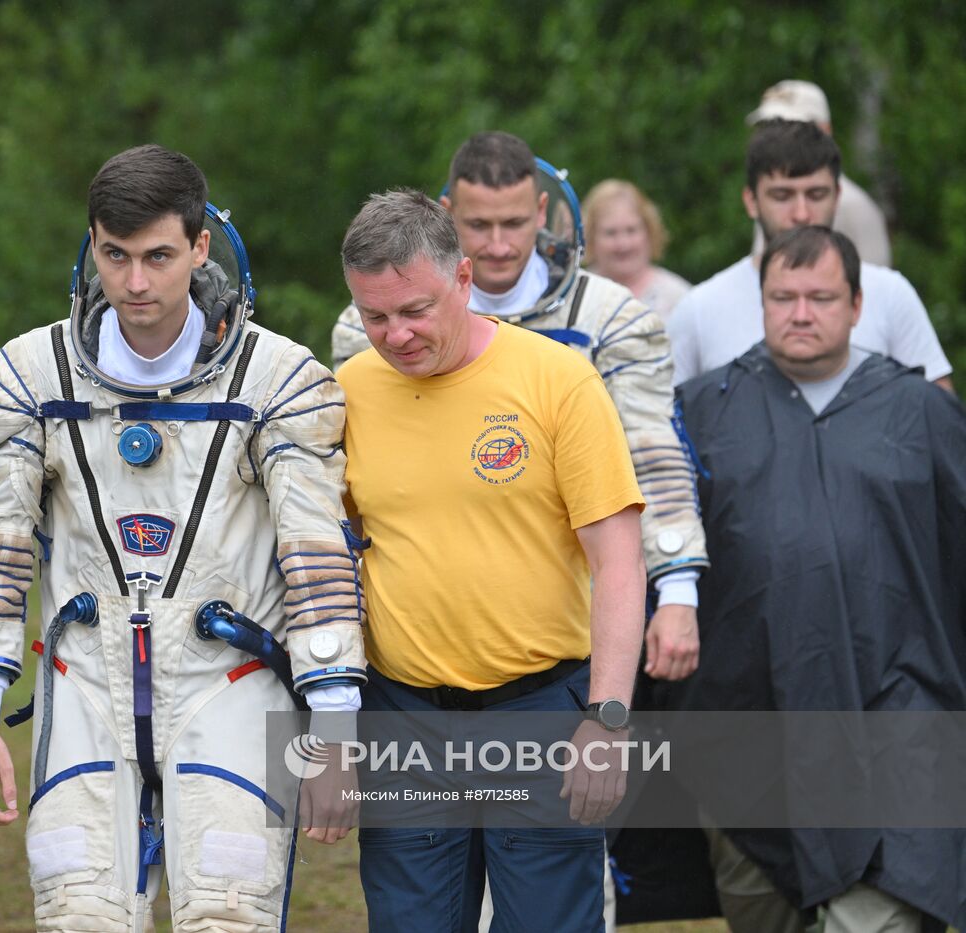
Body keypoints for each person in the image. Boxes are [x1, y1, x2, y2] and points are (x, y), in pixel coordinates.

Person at [0, 144, 367, 931]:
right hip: (84, 690)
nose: (135, 283)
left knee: (225, 914)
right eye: (115, 255)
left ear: (200, 246)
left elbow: (316, 559)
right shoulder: (30, 379)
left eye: (158, 257)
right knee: (79, 916)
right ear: (92, 246)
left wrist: (336, 730)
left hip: (232, 685)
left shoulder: (277, 381)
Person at [337, 189, 647, 932]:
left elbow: (620, 561)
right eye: (374, 317)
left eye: (415, 310)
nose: (397, 335)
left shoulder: (556, 379)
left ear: (464, 278)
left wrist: (607, 721)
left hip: (541, 710)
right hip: (404, 717)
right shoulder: (343, 393)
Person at [672, 225, 966, 932]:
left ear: (858, 305)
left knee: (886, 908)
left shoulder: (921, 413)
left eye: (822, 297)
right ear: (762, 301)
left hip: (899, 709)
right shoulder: (703, 411)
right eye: (784, 296)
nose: (801, 312)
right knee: (759, 908)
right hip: (748, 717)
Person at [336, 133, 706, 690]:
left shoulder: (609, 317)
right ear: (449, 215)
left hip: (554, 652)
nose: (499, 245)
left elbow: (651, 451)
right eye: (479, 226)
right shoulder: (366, 331)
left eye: (513, 224)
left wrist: (677, 587)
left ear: (542, 211)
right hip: (407, 684)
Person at [669, 119, 953, 392]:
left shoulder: (891, 295)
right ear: (751, 201)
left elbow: (935, 419)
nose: (802, 213)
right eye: (782, 196)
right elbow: (663, 424)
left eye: (816, 194)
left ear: (837, 196)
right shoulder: (699, 310)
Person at [746, 79, 892, 267]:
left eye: (793, 126)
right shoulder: (766, 197)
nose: (801, 213)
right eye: (768, 126)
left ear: (825, 130)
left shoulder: (854, 206)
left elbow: (873, 284)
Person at [582, 179, 690, 322]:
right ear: (590, 236)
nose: (623, 244)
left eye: (631, 230)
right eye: (610, 233)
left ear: (649, 231)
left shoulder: (679, 298)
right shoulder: (575, 295)